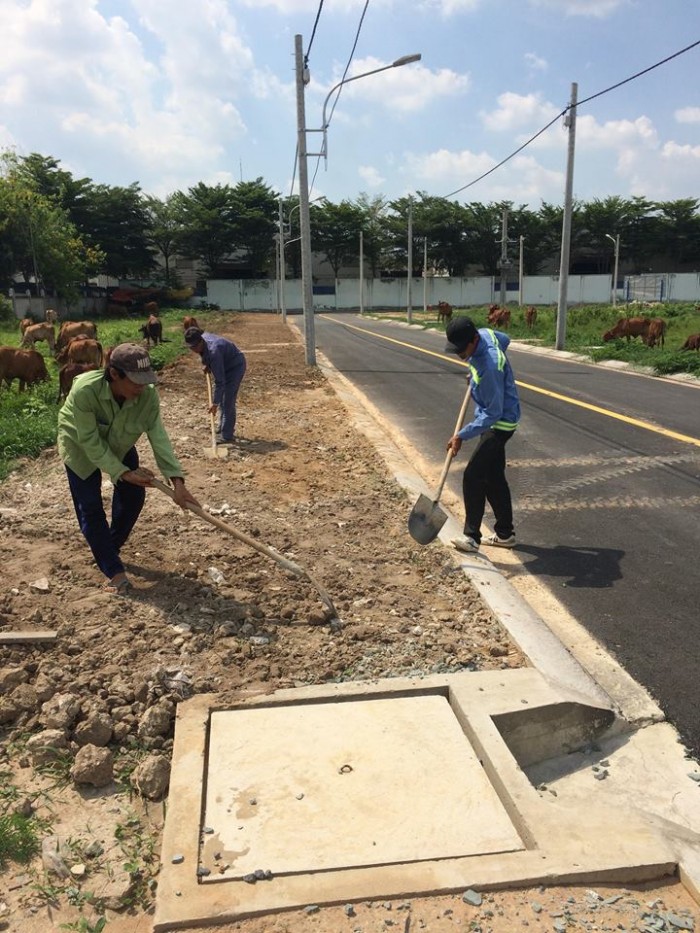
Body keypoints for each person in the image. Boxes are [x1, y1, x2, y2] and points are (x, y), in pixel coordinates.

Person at [57, 343, 200, 595]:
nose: (142, 387)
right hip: (79, 444)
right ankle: (113, 570)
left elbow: (159, 436)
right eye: (135, 381)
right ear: (114, 374)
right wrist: (122, 472)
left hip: (119, 442)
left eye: (146, 380)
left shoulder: (147, 395)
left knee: (133, 496)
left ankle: (108, 546)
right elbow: (90, 441)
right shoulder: (85, 391)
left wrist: (177, 482)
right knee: (90, 507)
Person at [444, 316, 521, 554]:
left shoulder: (489, 366)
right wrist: (473, 375)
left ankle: (471, 537)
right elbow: (504, 339)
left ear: (474, 340)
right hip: (494, 416)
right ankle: (505, 534)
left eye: (461, 350)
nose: (459, 354)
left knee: (473, 475)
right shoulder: (486, 335)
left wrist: (461, 435)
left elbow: (493, 413)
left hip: (500, 423)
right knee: (493, 477)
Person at [184, 326, 247, 443]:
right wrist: (206, 363)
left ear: (200, 342)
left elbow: (220, 382)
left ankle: (227, 435)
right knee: (222, 399)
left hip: (235, 367)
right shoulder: (203, 342)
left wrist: (214, 403)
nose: (192, 350)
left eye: (194, 347)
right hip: (224, 363)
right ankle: (223, 427)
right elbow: (204, 353)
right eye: (190, 347)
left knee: (227, 400)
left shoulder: (214, 352)